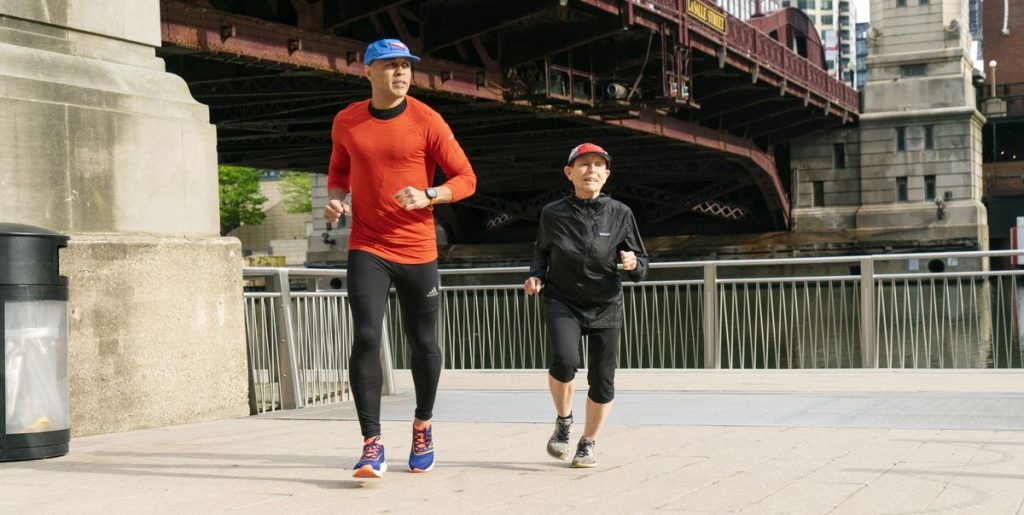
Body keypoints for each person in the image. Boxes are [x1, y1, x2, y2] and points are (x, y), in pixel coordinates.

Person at [323, 38, 476, 479]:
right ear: (367, 71)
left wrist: (430, 194)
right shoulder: (347, 120)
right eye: (390, 66)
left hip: (417, 248)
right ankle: (371, 444)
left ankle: (423, 424)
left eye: (406, 66)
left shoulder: (427, 119)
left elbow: (466, 178)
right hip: (367, 245)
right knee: (367, 335)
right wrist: (336, 200)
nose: (401, 73)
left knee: (423, 341)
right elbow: (338, 170)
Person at [523, 143, 649, 468]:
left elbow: (643, 264)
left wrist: (634, 263)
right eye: (583, 164)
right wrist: (536, 277)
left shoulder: (620, 213)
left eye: (598, 165)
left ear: (606, 175)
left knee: (603, 380)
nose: (590, 170)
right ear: (569, 173)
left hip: (606, 305)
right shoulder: (552, 213)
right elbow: (541, 254)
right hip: (563, 300)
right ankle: (564, 421)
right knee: (565, 362)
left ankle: (588, 442)